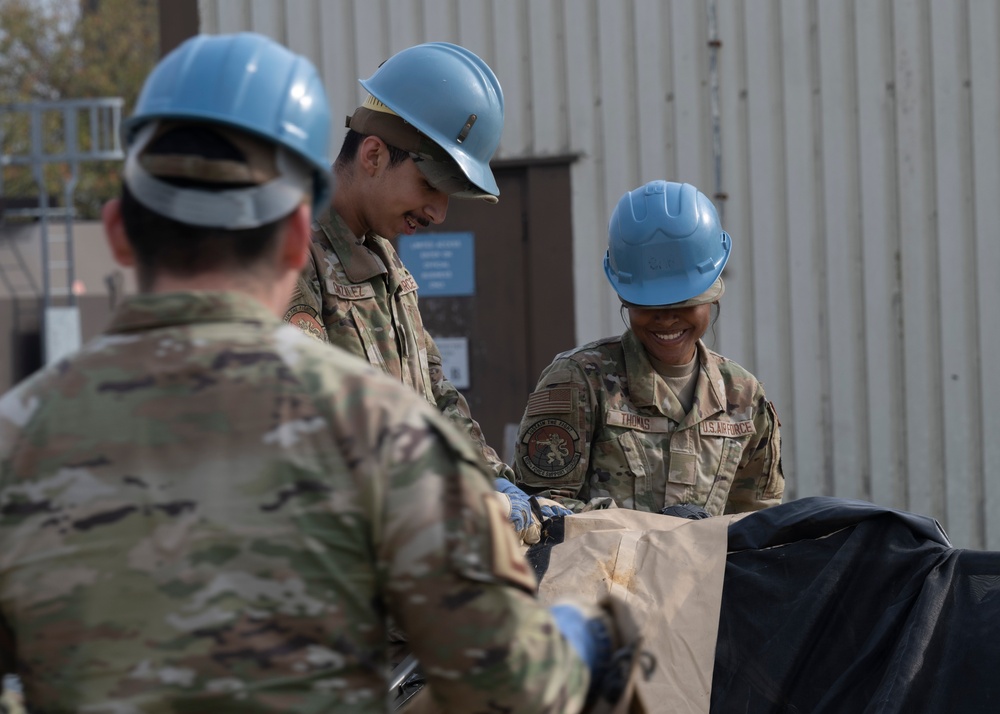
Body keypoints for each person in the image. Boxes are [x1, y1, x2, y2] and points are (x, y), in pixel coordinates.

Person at [0, 32, 631, 713]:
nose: (438, 212)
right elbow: (518, 683)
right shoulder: (383, 436)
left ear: (118, 231)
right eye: (430, 185)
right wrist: (580, 643)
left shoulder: (18, 440)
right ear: (300, 234)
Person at [282, 42, 567, 541]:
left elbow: (436, 399)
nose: (438, 213)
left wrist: (498, 483)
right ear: (373, 155)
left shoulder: (384, 261)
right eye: (430, 186)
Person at [514, 180, 784, 515]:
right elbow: (542, 511)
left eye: (683, 301)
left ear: (713, 291)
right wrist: (654, 534)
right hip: (606, 568)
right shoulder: (580, 382)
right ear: (625, 296)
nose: (667, 319)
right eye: (649, 304)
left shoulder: (742, 395)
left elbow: (759, 521)